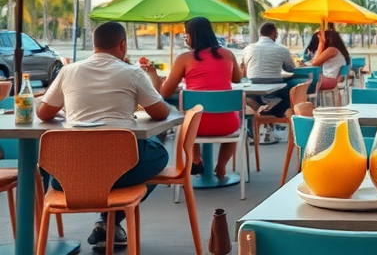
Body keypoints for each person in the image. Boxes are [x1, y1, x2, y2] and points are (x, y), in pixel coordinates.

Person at [37, 21, 170, 252]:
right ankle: (111, 220)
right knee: (159, 153)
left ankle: (108, 223)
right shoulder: (132, 73)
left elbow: (43, 113)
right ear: (123, 45)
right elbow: (160, 113)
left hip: (67, 178)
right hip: (122, 170)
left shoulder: (68, 71)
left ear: (94, 45)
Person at [142, 16, 242, 181]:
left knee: (191, 113)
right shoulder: (228, 54)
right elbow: (237, 79)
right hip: (227, 125)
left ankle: (196, 159)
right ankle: (222, 166)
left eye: (186, 35)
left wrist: (153, 74)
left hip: (195, 127)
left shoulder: (184, 58)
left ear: (190, 36)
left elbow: (165, 93)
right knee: (235, 119)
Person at [240, 21, 295, 116]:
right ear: (273, 34)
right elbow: (290, 68)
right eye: (276, 34)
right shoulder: (282, 49)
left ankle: (261, 110)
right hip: (274, 84)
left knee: (247, 96)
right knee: (290, 93)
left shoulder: (248, 48)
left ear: (260, 33)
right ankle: (279, 112)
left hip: (252, 85)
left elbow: (242, 69)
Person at [307, 28, 351, 103]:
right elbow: (315, 62)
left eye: (321, 37)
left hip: (329, 79)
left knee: (301, 83)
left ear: (327, 38)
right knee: (303, 83)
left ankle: (307, 106)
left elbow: (314, 63)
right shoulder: (336, 50)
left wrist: (321, 43)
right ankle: (308, 104)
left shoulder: (332, 50)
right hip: (329, 79)